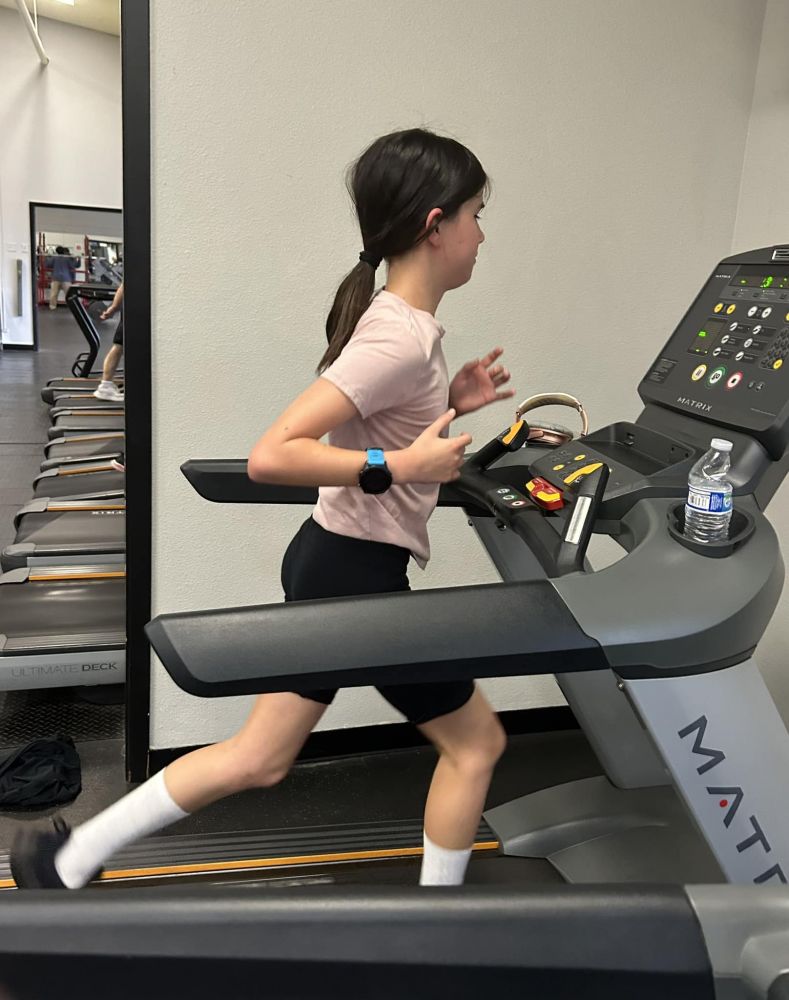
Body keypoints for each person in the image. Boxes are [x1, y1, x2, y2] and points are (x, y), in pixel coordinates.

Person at [11, 127, 515, 891]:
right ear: (435, 225)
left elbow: (371, 418)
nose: (482, 235)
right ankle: (440, 928)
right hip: (356, 582)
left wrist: (448, 399)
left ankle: (68, 858)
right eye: (477, 215)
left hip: (332, 563)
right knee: (475, 745)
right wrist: (398, 465)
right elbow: (273, 455)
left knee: (261, 757)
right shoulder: (400, 338)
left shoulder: (400, 325)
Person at [93, 282, 125, 402]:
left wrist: (113, 308)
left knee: (120, 346)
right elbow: (124, 285)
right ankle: (105, 386)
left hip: (134, 305)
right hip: (135, 306)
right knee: (119, 346)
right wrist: (113, 308)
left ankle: (106, 385)